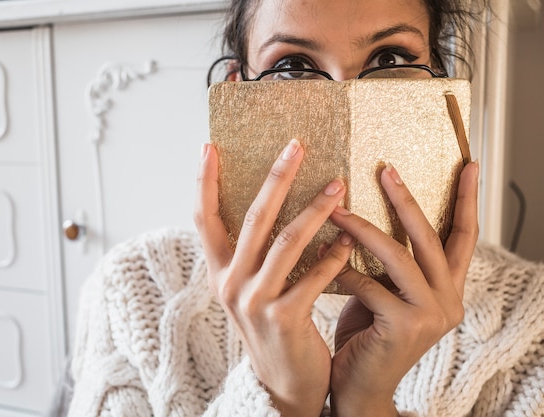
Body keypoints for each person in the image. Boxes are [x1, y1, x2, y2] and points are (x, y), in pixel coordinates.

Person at [66, 1, 544, 416]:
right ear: (237, 91)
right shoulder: (135, 290)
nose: (345, 108)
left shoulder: (529, 316)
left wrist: (369, 406)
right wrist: (283, 398)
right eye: (292, 65)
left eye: (390, 57)